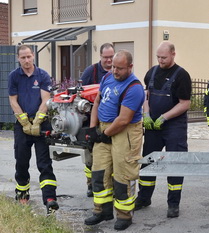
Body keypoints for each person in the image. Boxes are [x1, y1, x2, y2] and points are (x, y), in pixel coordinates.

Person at [84, 49, 144, 231]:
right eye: (113, 67)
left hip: (123, 132)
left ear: (130, 67)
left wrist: (105, 134)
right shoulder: (107, 78)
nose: (115, 71)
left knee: (122, 175)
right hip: (104, 129)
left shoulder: (135, 88)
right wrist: (94, 128)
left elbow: (124, 120)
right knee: (99, 171)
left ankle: (124, 215)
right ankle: (101, 210)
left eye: (119, 68)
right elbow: (97, 102)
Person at [136, 41, 192, 218]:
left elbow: (185, 104)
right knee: (148, 162)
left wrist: (164, 117)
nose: (160, 60)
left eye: (164, 57)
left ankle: (173, 204)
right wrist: (146, 114)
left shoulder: (182, 76)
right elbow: (146, 95)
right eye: (158, 57)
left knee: (175, 163)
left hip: (174, 126)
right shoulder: (151, 72)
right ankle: (144, 198)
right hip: (153, 126)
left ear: (173, 54)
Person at [8, 44, 59, 215]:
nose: (26, 60)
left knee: (44, 163)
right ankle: (22, 194)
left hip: (41, 124)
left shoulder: (42, 75)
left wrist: (38, 120)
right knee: (21, 161)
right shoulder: (14, 76)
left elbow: (46, 99)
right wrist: (24, 122)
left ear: (33, 56)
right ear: (18, 58)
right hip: (22, 125)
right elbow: (13, 101)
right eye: (23, 58)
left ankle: (50, 199)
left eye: (29, 56)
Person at [80, 43, 115, 197]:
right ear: (100, 56)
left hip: (113, 121)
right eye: (105, 57)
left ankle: (111, 184)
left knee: (111, 155)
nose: (109, 60)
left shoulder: (118, 71)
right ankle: (91, 184)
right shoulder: (91, 72)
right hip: (91, 120)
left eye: (111, 57)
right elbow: (81, 94)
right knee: (90, 156)